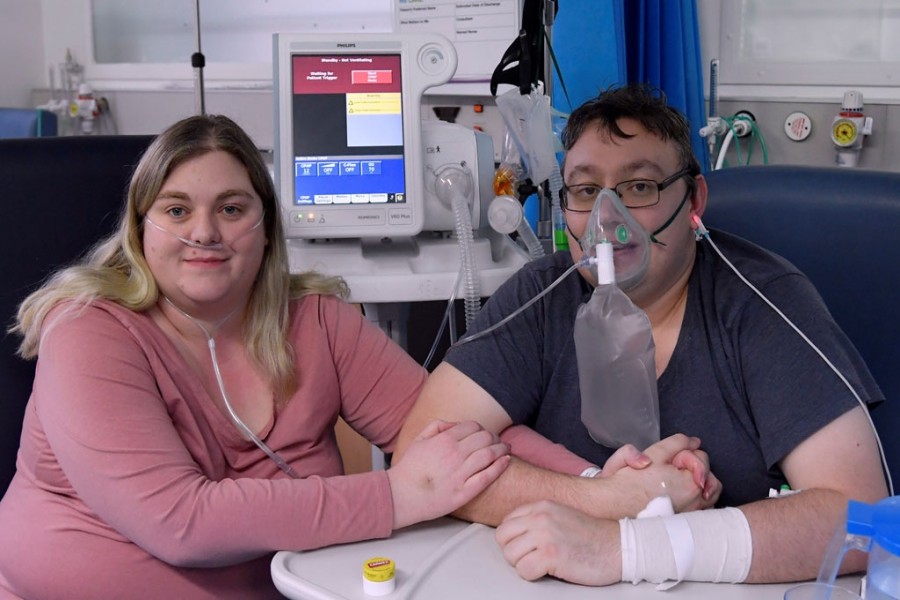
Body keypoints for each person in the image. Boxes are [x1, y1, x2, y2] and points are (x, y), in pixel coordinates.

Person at [0, 114, 514, 599]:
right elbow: (181, 523)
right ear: (140, 229)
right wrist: (397, 495)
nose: (203, 233)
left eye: (231, 209)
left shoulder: (316, 322)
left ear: (266, 229)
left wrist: (588, 490)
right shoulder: (87, 330)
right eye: (176, 210)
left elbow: (464, 431)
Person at [394, 83, 889, 586]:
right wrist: (607, 502)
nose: (608, 220)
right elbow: (422, 462)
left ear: (693, 199)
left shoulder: (761, 304)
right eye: (586, 191)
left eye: (640, 186)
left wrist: (625, 548)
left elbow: (862, 520)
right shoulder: (542, 298)